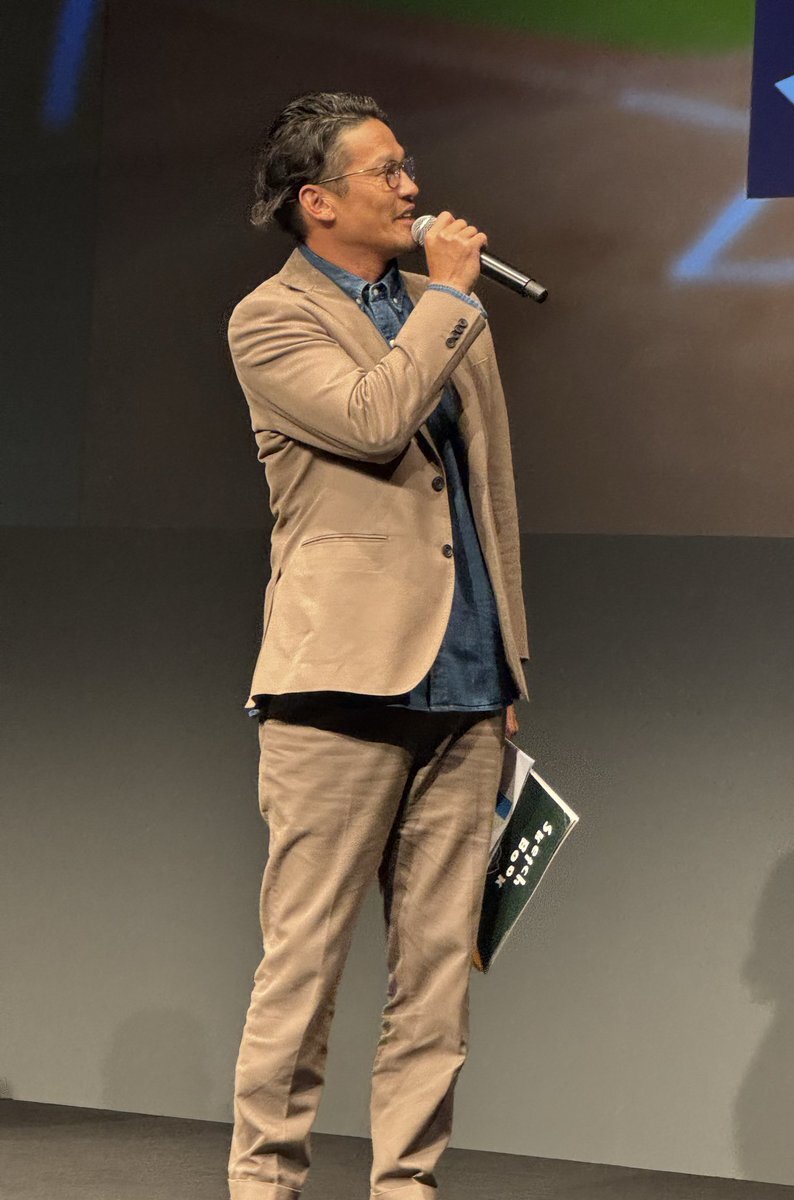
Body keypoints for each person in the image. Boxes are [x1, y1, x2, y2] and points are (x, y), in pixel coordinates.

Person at [226, 91, 530, 1200]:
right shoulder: (272, 318)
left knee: (437, 973)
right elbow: (370, 419)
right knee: (304, 961)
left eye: (409, 167)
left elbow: (487, 495)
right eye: (388, 171)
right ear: (318, 201)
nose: (413, 189)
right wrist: (449, 297)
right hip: (338, 688)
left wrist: (508, 659)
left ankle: (407, 1186)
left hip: (465, 683)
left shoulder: (442, 311)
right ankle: (264, 1185)